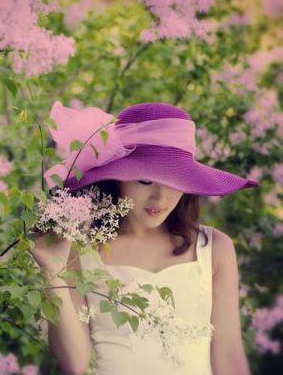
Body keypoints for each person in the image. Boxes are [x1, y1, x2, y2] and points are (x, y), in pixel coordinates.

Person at [30, 102, 259, 375]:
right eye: (145, 181)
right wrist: (52, 271)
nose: (160, 199)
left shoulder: (214, 249)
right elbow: (75, 364)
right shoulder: (81, 249)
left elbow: (229, 356)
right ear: (117, 178)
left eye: (174, 180)